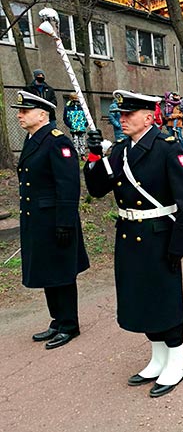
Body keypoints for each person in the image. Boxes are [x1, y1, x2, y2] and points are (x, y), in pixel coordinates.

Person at [84, 90, 183, 398]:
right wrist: (94, 156)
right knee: (141, 297)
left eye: (128, 115)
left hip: (159, 235)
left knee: (164, 299)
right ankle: (158, 357)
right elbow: (97, 190)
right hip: (128, 235)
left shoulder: (166, 148)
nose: (121, 119)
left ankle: (176, 359)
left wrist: (181, 245)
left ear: (149, 117)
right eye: (120, 115)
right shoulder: (121, 150)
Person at [12, 91, 89, 350]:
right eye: (19, 111)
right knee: (47, 270)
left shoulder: (57, 141)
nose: (20, 115)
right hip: (38, 220)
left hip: (55, 219)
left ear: (42, 114)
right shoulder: (33, 139)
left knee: (62, 272)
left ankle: (70, 324)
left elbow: (68, 186)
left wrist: (65, 222)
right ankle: (57, 320)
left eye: (25, 111)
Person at [63, 93, 88, 159]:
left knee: (82, 142)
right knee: (75, 142)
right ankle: (76, 155)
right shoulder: (68, 107)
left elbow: (87, 116)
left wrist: (85, 124)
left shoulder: (82, 107)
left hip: (81, 128)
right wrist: (71, 125)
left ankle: (82, 155)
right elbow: (65, 118)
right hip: (74, 128)